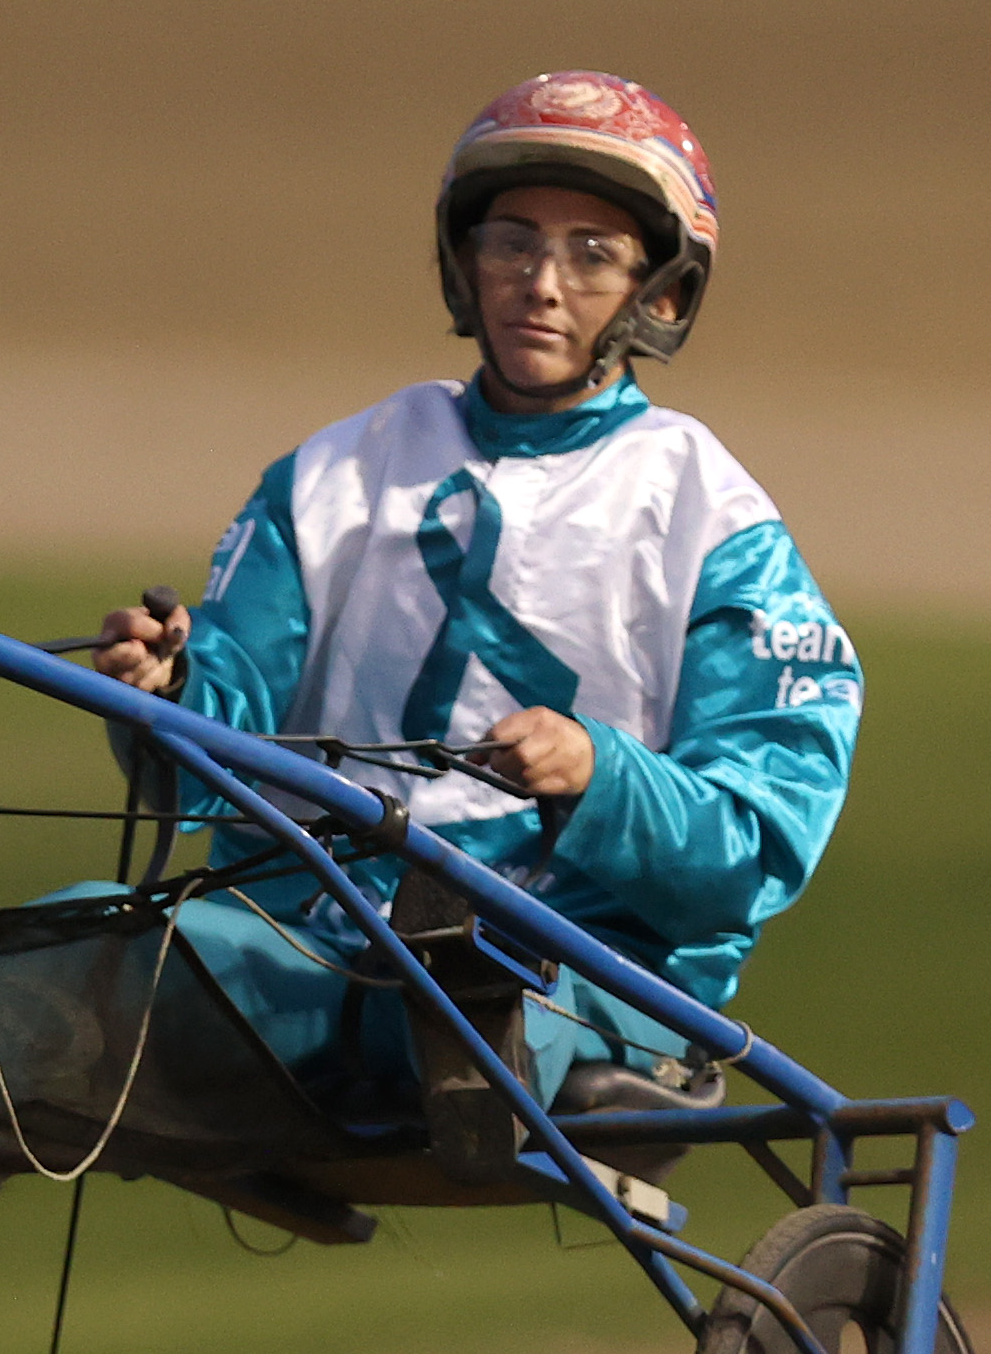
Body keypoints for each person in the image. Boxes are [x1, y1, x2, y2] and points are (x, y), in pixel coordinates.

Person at [87, 71, 857, 1155]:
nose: (540, 283)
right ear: (463, 260)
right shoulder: (333, 473)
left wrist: (599, 769)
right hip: (309, 942)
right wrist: (162, 692)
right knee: (54, 952)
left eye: (591, 252)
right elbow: (229, 722)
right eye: (510, 241)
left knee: (457, 1006)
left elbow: (756, 842)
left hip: (573, 972)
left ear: (662, 294)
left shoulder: (708, 514)